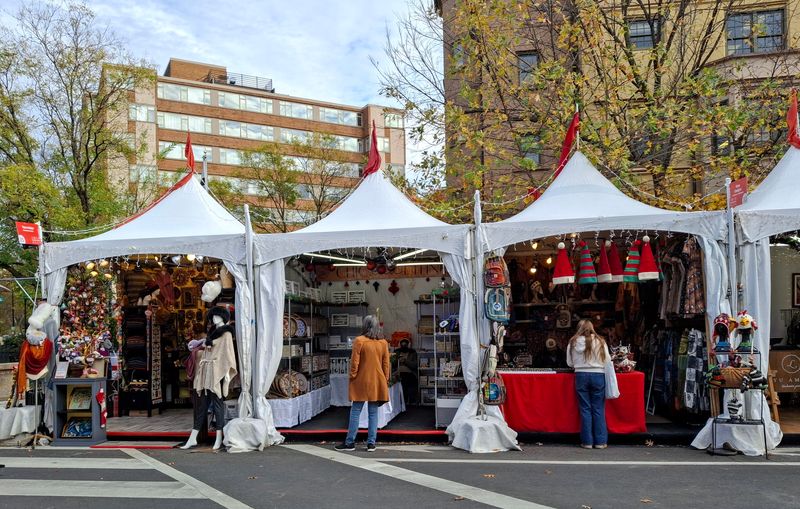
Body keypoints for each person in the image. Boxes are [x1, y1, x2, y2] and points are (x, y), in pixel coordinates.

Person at [335, 315, 390, 452]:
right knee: (373, 412)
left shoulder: (359, 341)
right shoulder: (383, 343)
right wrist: (385, 378)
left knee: (355, 411)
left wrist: (352, 376)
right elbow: (386, 364)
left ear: (365, 326)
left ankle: (350, 442)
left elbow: (355, 362)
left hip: (361, 379)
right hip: (377, 379)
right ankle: (371, 443)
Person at [566, 319, 611, 449]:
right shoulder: (601, 341)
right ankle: (601, 442)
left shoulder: (573, 342)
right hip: (598, 375)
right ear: (592, 328)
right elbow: (607, 360)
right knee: (598, 408)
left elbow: (569, 363)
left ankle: (587, 442)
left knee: (585, 409)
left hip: (581, 375)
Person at [395, 339, 419, 405]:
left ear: (408, 345)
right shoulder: (396, 352)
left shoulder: (412, 352)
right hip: (398, 373)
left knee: (407, 381)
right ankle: (402, 401)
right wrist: (397, 360)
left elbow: (415, 365)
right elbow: (393, 363)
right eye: (402, 344)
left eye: (405, 344)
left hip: (410, 373)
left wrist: (405, 361)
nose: (404, 346)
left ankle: (408, 400)